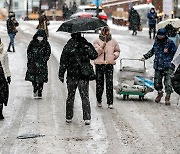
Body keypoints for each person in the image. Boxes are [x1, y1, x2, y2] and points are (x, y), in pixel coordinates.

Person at [59, 32, 98, 125]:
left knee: (70, 96)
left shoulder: (68, 45)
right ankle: (87, 117)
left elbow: (63, 61)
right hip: (83, 75)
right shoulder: (85, 44)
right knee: (84, 96)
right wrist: (87, 47)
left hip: (71, 75)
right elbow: (94, 55)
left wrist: (61, 73)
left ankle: (69, 116)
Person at [142, 28, 177, 105]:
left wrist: (170, 52)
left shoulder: (170, 43)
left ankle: (168, 97)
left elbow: (176, 53)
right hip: (158, 66)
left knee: (168, 83)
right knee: (157, 83)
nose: (160, 37)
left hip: (168, 66)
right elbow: (152, 51)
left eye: (162, 35)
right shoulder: (156, 43)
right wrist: (145, 56)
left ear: (165, 35)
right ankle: (160, 93)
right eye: (159, 35)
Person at [93, 26, 120, 109]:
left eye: (107, 30)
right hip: (99, 65)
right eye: (104, 31)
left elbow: (117, 50)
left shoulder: (113, 41)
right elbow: (95, 53)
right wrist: (102, 47)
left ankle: (110, 102)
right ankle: (99, 100)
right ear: (101, 31)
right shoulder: (96, 41)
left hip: (109, 64)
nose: (105, 32)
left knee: (109, 84)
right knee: (99, 84)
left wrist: (114, 56)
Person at [25, 29, 51, 98]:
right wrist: (31, 59)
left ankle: (40, 90)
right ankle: (35, 87)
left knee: (41, 78)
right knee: (33, 77)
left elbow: (48, 53)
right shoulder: (32, 43)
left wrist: (44, 59)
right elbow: (29, 52)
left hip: (42, 64)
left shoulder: (46, 44)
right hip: (33, 63)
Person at [0, 38, 11, 120]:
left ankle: (0, 111)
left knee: (1, 95)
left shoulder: (4, 52)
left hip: (1, 76)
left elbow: (6, 65)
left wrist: (8, 75)